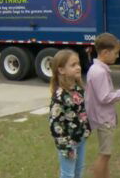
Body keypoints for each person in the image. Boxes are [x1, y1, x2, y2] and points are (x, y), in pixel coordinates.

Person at [85, 33, 120, 178]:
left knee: (106, 154)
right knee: (104, 155)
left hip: (101, 118)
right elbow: (104, 97)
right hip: (103, 119)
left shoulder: (97, 69)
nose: (117, 56)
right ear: (105, 52)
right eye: (116, 53)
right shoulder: (99, 72)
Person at [49, 49, 91, 178]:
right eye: (73, 65)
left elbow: (83, 112)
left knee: (78, 172)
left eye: (78, 63)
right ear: (61, 70)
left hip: (81, 139)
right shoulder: (59, 96)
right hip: (68, 143)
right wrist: (66, 148)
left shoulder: (79, 89)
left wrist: (87, 129)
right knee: (68, 175)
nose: (78, 67)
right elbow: (55, 125)